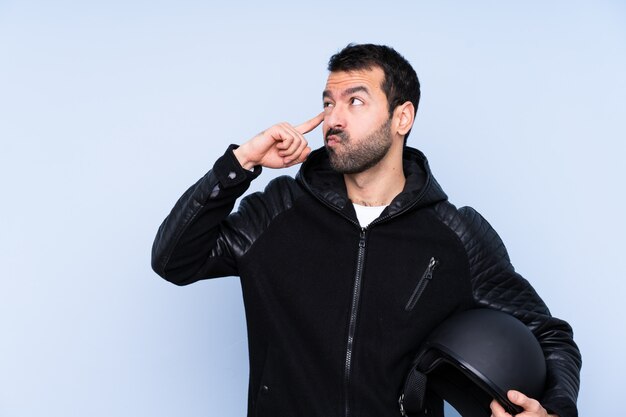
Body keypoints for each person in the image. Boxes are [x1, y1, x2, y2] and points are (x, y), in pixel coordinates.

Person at [151, 44, 581, 417]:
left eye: (354, 102)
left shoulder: (456, 233)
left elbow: (549, 334)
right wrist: (241, 163)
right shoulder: (277, 210)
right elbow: (174, 259)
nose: (333, 119)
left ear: (402, 118)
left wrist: (556, 410)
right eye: (328, 103)